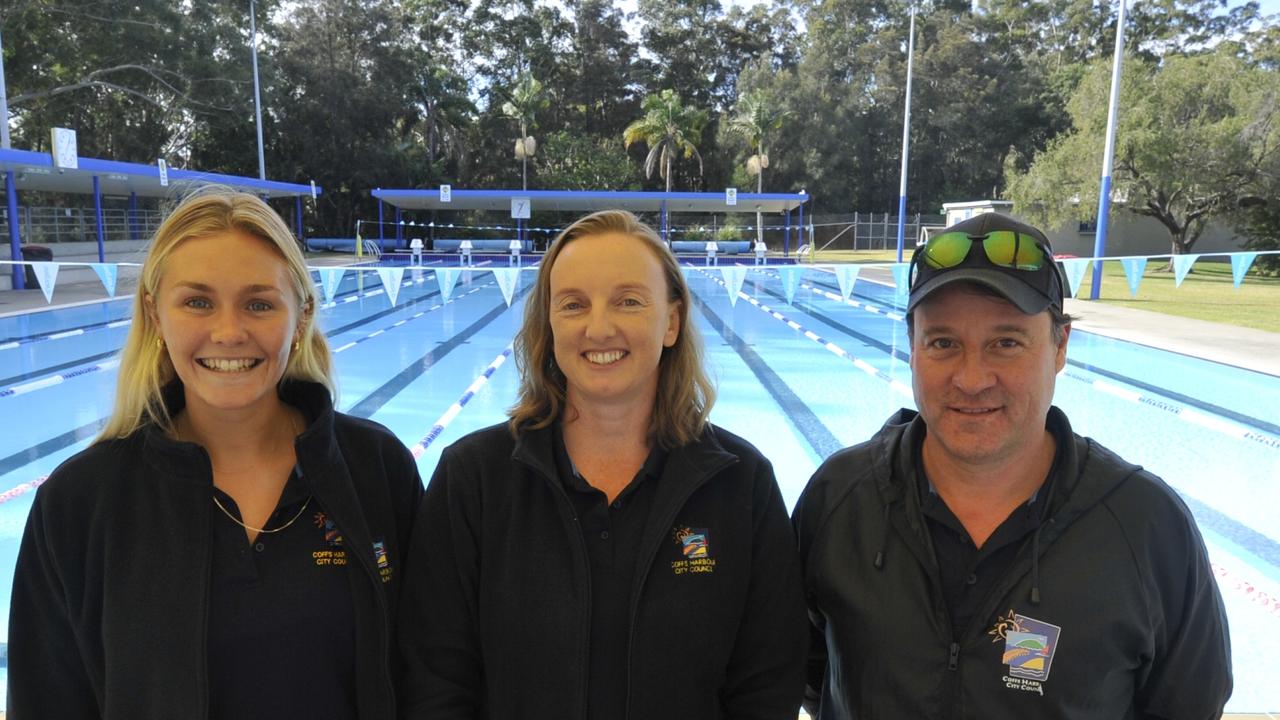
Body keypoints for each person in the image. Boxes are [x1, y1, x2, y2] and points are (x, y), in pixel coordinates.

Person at [793, 212, 1231, 719]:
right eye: (943, 343)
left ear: (1059, 346)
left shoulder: (1146, 525)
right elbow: (803, 672)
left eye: (1006, 342)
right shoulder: (840, 497)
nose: (972, 378)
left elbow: (1189, 705)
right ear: (911, 348)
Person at [8, 188, 423, 720]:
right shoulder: (80, 501)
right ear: (156, 316)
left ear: (300, 318)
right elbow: (47, 699)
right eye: (198, 302)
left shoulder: (376, 467)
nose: (228, 333)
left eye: (258, 303)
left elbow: (426, 672)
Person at [399, 209, 807, 720]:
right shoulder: (474, 479)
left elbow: (767, 684)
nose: (599, 327)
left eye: (628, 301)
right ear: (549, 323)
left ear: (672, 321)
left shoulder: (740, 484)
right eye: (573, 304)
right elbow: (437, 679)